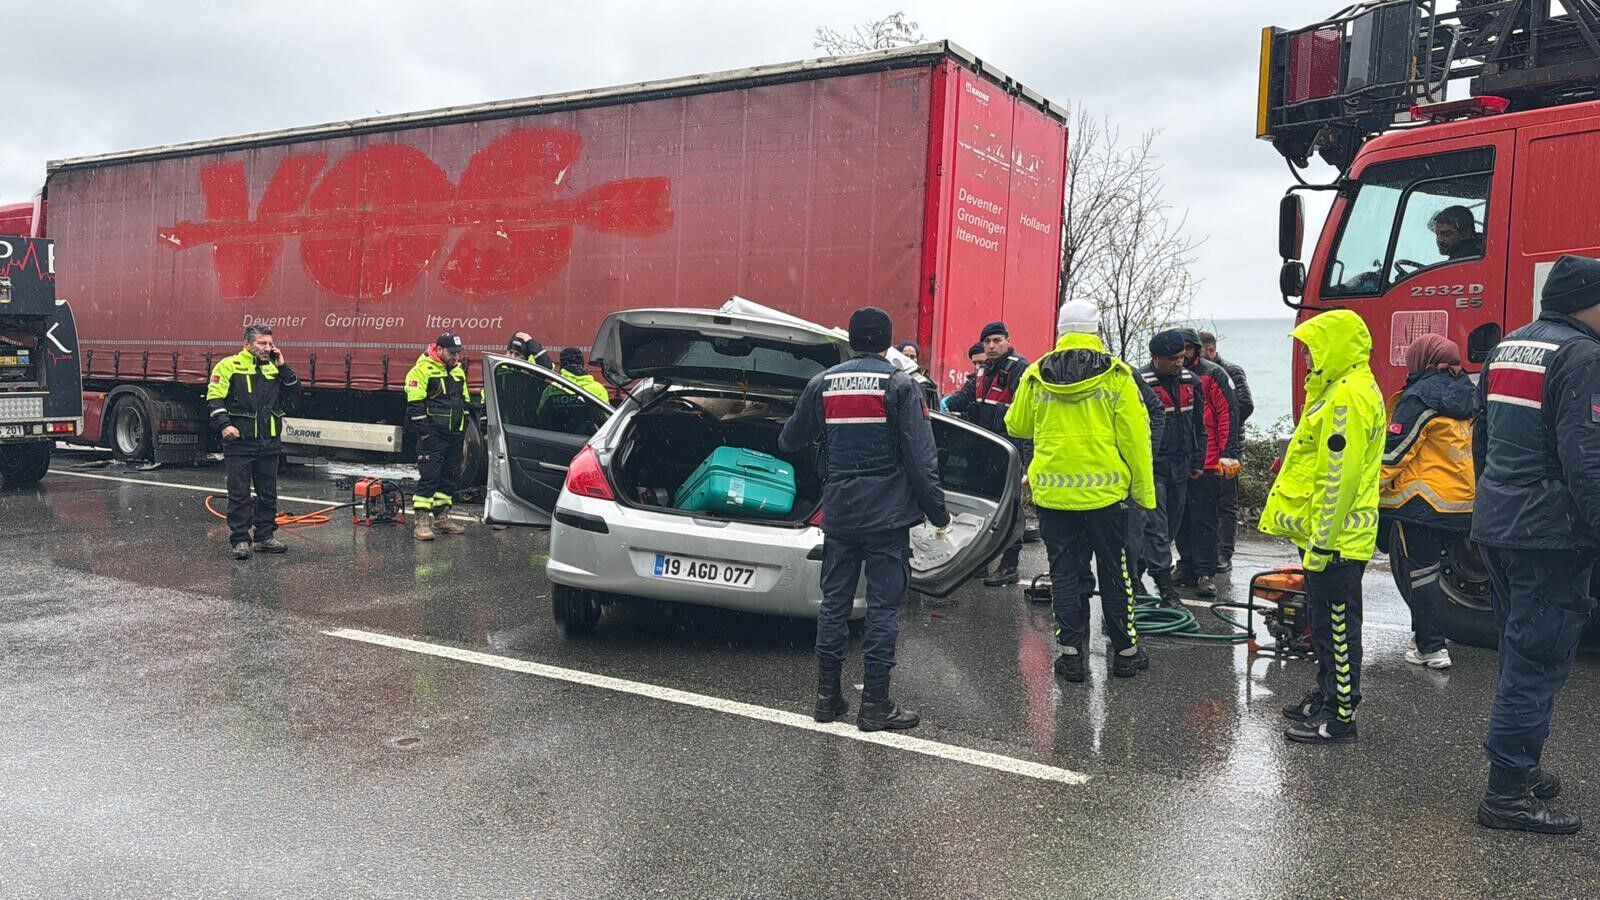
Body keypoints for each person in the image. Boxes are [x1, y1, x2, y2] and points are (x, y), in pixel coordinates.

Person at [1471, 254, 1600, 835]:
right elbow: (1587, 461)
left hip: (1500, 523)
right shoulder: (1583, 356)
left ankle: (1520, 766)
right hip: (1550, 534)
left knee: (1519, 651)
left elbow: (1481, 436)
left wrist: (1492, 502)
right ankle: (1507, 796)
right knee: (1537, 661)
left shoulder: (1510, 346)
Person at [779, 306, 950, 732]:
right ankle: (875, 705)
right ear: (888, 342)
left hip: (840, 514)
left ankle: (827, 698)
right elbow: (921, 458)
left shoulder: (822, 383)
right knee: (882, 610)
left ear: (852, 340)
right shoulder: (900, 386)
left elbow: (789, 439)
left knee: (834, 606)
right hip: (887, 519)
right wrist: (938, 512)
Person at [1006, 300, 1155, 682]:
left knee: (1065, 575)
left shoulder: (1036, 374)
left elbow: (1017, 425)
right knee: (1116, 574)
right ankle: (1126, 654)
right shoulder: (1117, 375)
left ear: (1060, 332)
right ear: (1097, 332)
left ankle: (1072, 657)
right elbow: (1136, 439)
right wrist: (1144, 494)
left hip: (1055, 497)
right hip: (1106, 498)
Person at [1260, 310, 1384, 745]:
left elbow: (1338, 478)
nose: (1308, 359)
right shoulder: (1340, 390)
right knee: (1325, 624)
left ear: (1335, 348)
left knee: (1337, 629)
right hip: (1330, 536)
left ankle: (1340, 716)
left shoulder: (1346, 397)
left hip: (1337, 540)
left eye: (1313, 350)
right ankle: (1327, 694)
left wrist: (1324, 543)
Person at [1379, 333, 1476, 670]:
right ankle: (1424, 637)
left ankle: (1431, 648)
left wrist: (1364, 490)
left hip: (1422, 503)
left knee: (1421, 573)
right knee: (1433, 574)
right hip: (1462, 502)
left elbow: (1395, 454)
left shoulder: (1420, 397)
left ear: (1421, 359)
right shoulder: (1468, 392)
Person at [207, 324, 301, 560]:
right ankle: (240, 540)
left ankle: (264, 537)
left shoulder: (274, 368)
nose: (267, 348)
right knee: (239, 494)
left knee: (268, 494)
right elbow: (214, 398)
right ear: (247, 344)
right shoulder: (229, 366)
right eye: (262, 343)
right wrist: (225, 425)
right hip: (240, 442)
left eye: (270, 343)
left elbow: (294, 397)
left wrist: (283, 367)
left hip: (268, 442)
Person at [948, 321, 1031, 584]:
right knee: (983, 508)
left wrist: (1026, 461)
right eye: (988, 342)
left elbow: (1025, 414)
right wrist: (941, 403)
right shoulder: (985, 369)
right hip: (983, 449)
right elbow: (964, 397)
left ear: (1008, 341)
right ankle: (981, 562)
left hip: (1008, 449)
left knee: (1010, 509)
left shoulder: (1020, 369)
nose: (992, 346)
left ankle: (1009, 565)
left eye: (997, 340)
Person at [1138, 329, 1207, 607]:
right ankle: (1167, 590)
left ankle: (1134, 577)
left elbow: (1199, 424)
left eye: (1181, 357)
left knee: (1169, 529)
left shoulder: (1192, 381)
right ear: (1155, 358)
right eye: (1173, 359)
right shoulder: (1140, 382)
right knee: (1155, 529)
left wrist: (1198, 460)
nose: (1179, 363)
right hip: (1153, 467)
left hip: (1181, 466)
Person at [1174, 329, 1234, 598]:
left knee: (1204, 521)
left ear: (1196, 349)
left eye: (1187, 349)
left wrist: (1227, 454)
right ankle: (1186, 565)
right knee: (1180, 520)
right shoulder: (1172, 375)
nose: (1182, 355)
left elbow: (1227, 415)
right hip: (1179, 461)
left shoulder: (1214, 374)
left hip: (1209, 461)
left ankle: (1206, 572)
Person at [405, 333, 472, 542]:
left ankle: (441, 518)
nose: (456, 357)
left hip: (454, 434)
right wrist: (425, 432)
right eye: (452, 353)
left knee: (450, 477)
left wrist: (464, 424)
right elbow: (415, 404)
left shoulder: (458, 371)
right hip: (433, 435)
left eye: (458, 353)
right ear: (439, 349)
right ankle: (421, 522)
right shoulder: (422, 370)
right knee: (430, 477)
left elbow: (464, 399)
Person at [1201, 330, 1253, 573]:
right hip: (1208, 446)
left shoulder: (1231, 371)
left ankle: (1224, 552)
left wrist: (1223, 423)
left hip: (1229, 446)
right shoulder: (1200, 372)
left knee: (1226, 501)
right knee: (1207, 501)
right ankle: (1209, 549)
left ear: (1211, 350)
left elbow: (1245, 405)